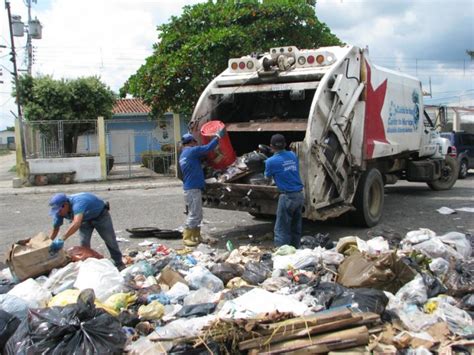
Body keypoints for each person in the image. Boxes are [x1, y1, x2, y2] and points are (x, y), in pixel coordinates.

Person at [48, 192, 125, 270]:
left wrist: (61, 239)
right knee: (84, 244)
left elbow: (76, 223)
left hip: (100, 216)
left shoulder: (78, 203)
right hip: (84, 220)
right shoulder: (59, 213)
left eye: (59, 211)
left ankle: (118, 263)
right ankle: (89, 266)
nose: (58, 213)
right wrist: (48, 243)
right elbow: (56, 228)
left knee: (109, 240)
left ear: (65, 205)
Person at [179, 129, 225, 246]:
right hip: (192, 188)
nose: (196, 143)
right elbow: (208, 148)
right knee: (194, 214)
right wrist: (218, 137)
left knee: (197, 213)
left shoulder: (184, 154)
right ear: (191, 142)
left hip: (191, 188)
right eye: (195, 142)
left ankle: (196, 236)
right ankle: (187, 237)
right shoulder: (192, 151)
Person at [264, 134, 304, 248]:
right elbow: (284, 165)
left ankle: (282, 256)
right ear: (285, 144)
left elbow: (267, 177)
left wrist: (267, 159)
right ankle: (295, 252)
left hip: (287, 197)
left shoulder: (270, 162)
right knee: (295, 228)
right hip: (299, 196)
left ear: (271, 146)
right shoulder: (292, 155)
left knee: (281, 230)